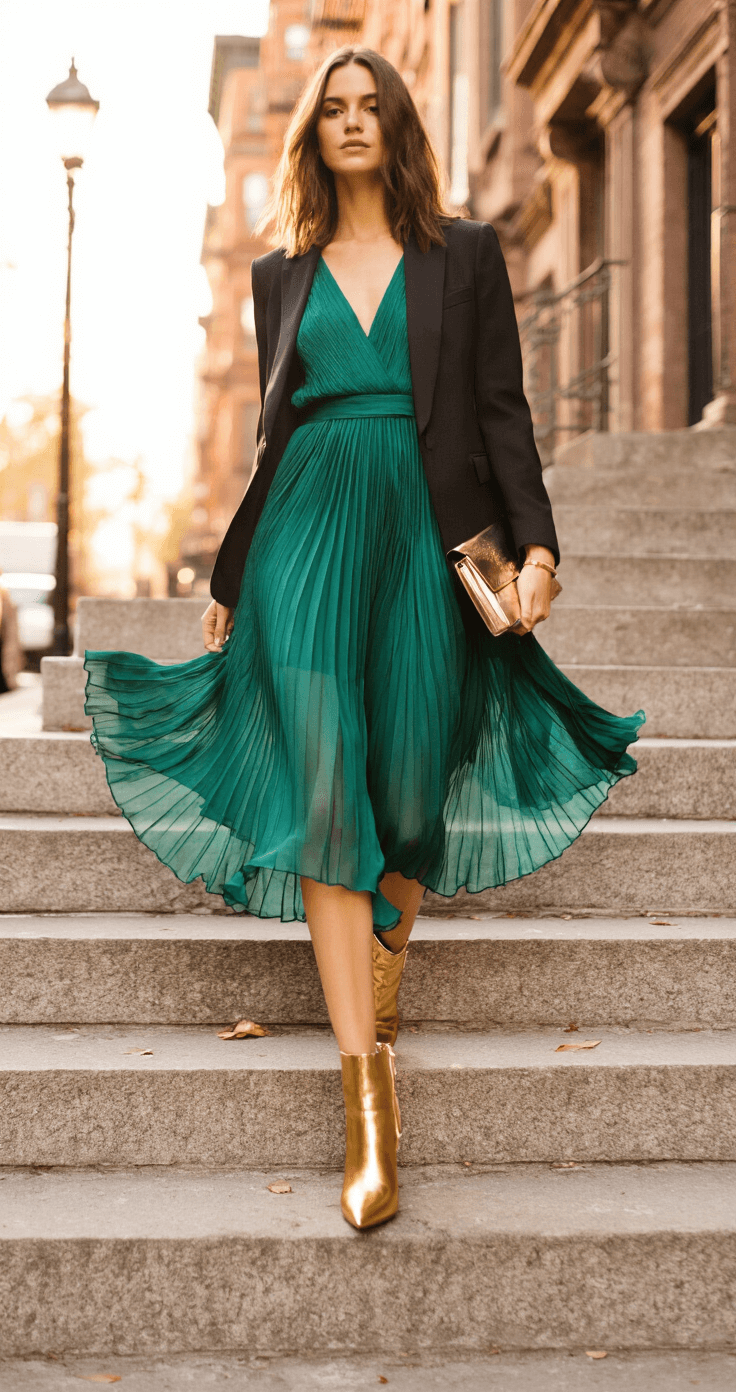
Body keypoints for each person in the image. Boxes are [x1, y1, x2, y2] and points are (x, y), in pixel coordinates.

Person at [84, 45, 644, 1232]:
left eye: (367, 106)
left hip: (423, 534)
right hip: (304, 536)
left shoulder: (468, 256)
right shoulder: (279, 275)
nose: (348, 122)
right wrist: (234, 571)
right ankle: (367, 1095)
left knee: (406, 787)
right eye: (328, 109)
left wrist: (538, 549)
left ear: (395, 124)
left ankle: (380, 951)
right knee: (329, 783)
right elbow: (273, 436)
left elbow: (502, 411)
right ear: (312, 134)